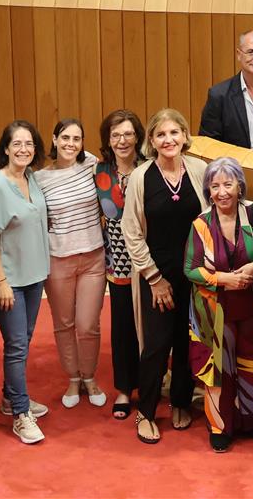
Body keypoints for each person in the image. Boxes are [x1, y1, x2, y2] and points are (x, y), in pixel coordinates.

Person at [121, 108, 207, 444]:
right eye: (161, 135)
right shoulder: (141, 177)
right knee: (156, 345)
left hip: (195, 275)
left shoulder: (199, 170)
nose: (168, 140)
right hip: (155, 276)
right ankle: (146, 411)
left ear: (185, 136)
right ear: (152, 141)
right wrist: (155, 279)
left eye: (174, 133)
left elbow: (216, 212)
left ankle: (182, 401)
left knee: (188, 341)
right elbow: (131, 231)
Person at [184, 156, 253, 451]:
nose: (222, 192)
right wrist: (224, 279)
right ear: (208, 190)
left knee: (252, 364)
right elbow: (190, 269)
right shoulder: (201, 223)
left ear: (240, 186)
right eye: (215, 185)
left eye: (228, 184)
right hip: (214, 311)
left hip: (251, 308)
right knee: (218, 369)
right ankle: (221, 426)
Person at [0, 119, 51, 444]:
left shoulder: (30, 177)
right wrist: (2, 281)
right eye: (16, 144)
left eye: (29, 144)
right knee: (17, 345)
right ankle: (21, 414)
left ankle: (10, 398)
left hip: (33, 275)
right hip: (8, 281)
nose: (23, 149)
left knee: (23, 339)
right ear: (5, 149)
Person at [34, 117, 106, 410]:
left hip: (93, 256)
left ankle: (90, 377)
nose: (70, 144)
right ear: (54, 139)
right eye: (65, 138)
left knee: (89, 324)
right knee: (64, 323)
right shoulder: (39, 178)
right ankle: (73, 378)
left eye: (76, 139)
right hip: (58, 259)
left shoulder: (90, 165)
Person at [96, 108, 144, 419]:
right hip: (117, 262)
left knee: (152, 328)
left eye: (128, 133)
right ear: (108, 140)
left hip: (149, 259)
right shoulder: (99, 171)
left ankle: (154, 383)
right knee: (123, 327)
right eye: (115, 135)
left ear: (138, 137)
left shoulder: (150, 168)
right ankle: (125, 388)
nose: (122, 140)